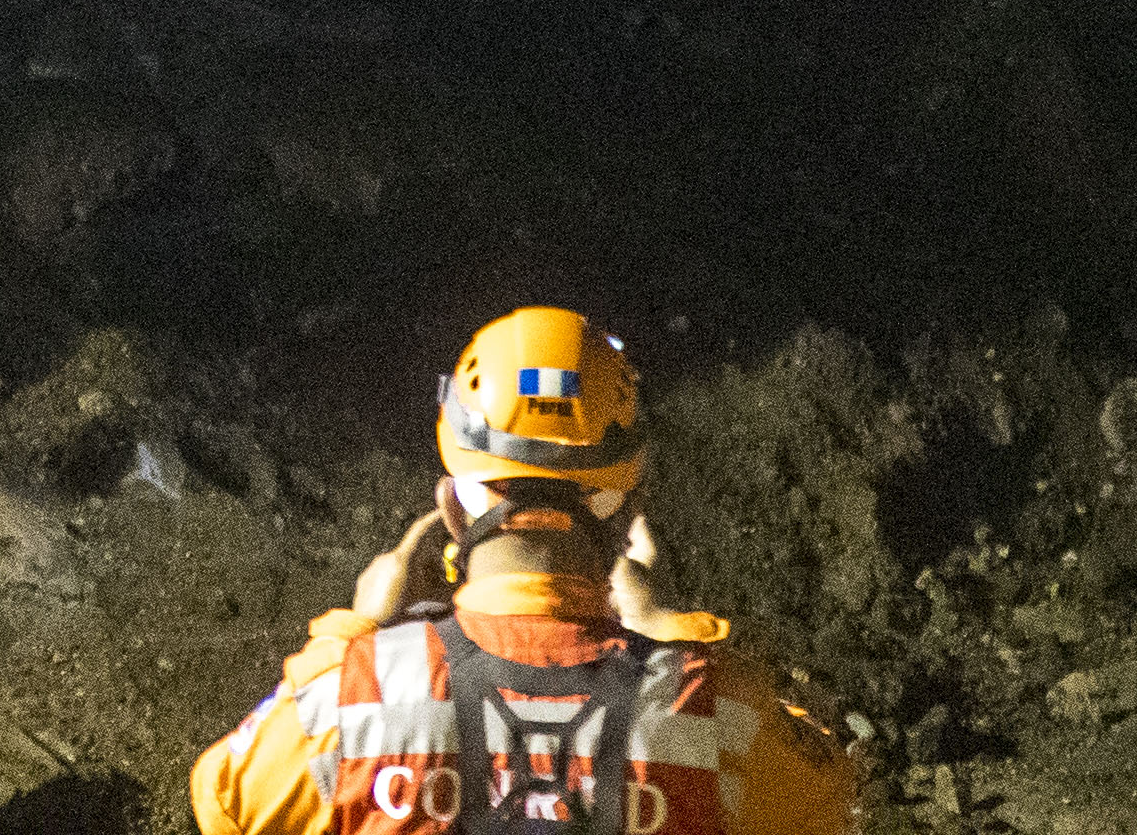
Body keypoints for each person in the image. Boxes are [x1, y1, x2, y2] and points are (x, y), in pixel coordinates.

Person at [187, 309, 858, 835]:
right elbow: (834, 793)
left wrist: (351, 635)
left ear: (452, 507)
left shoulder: (348, 701)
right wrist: (675, 635)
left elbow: (224, 799)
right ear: (628, 519)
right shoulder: (716, 716)